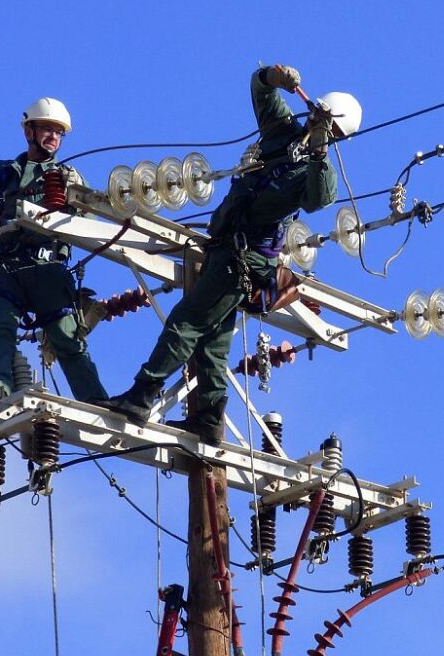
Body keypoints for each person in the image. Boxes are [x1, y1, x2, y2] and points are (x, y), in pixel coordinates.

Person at [106, 65, 362, 443]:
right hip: (227, 247)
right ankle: (209, 418)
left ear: (337, 137)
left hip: (245, 258)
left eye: (330, 129)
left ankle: (142, 394)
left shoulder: (316, 168)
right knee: (213, 338)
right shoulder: (282, 131)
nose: (318, 126)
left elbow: (319, 200)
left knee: (188, 320)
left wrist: (321, 149)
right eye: (319, 119)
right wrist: (275, 77)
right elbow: (260, 90)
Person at [0, 97, 109, 412]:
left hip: (49, 270)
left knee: (67, 339)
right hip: (7, 268)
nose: (53, 137)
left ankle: (96, 401)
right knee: (0, 326)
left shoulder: (68, 177)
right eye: (47, 129)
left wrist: (80, 197)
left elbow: (90, 226)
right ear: (29, 131)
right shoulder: (3, 174)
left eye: (59, 133)